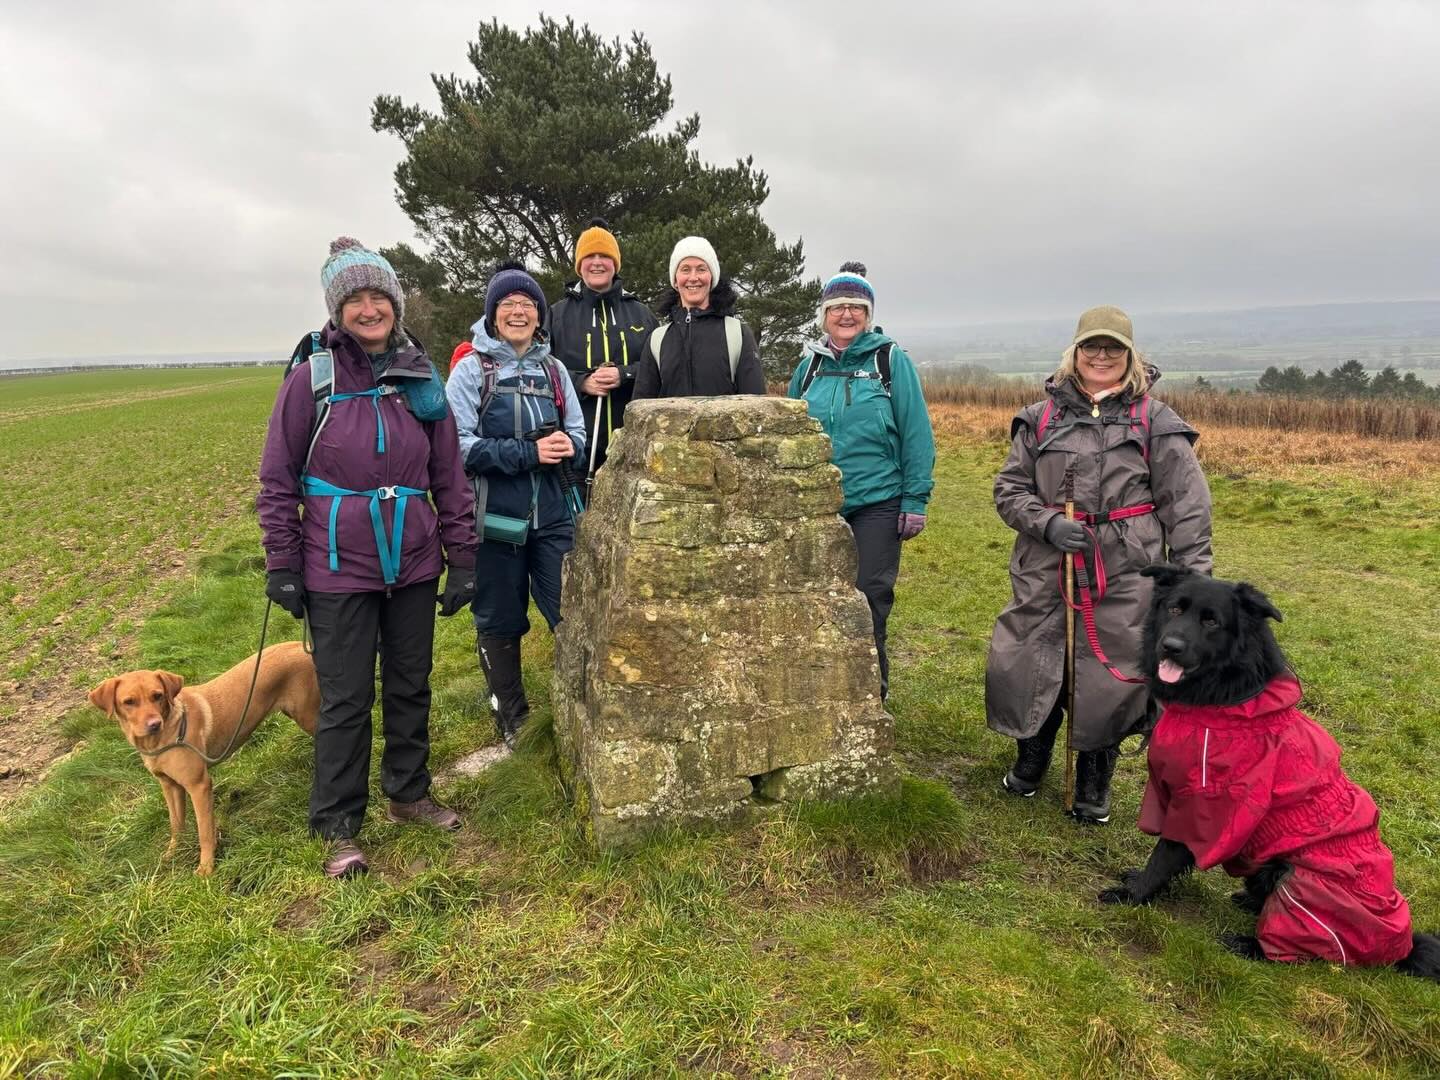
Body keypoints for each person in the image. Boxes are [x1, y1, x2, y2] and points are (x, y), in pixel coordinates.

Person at [258, 237, 477, 879]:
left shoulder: (421, 378)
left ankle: (408, 794)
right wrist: (282, 562)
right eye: (355, 298)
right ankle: (337, 823)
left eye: (379, 295)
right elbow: (278, 478)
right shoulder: (312, 379)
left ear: (396, 305)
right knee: (347, 698)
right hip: (337, 566)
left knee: (410, 684)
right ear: (338, 309)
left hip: (413, 561)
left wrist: (463, 555)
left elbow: (449, 475)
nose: (369, 308)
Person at [985, 305, 1213, 824]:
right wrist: (1047, 523)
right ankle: (1031, 759)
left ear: (1131, 355)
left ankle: (1093, 781)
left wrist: (1194, 585)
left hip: (1126, 567)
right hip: (1046, 564)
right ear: (1076, 352)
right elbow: (1009, 489)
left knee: (1113, 671)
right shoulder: (1040, 418)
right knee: (1028, 657)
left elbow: (1187, 506)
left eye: (1114, 347)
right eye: (1092, 346)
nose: (1102, 356)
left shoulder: (1156, 422)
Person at [446, 262, 586, 749]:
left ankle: (585, 704)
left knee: (571, 611)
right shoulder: (472, 370)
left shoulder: (554, 370)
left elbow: (578, 432)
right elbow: (456, 446)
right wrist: (527, 453)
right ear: (493, 314)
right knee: (499, 619)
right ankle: (513, 719)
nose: (518, 312)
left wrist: (570, 446)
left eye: (527, 304)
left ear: (539, 316)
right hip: (494, 520)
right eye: (508, 304)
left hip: (553, 516)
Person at [788, 263, 935, 700]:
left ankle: (870, 692)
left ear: (868, 315)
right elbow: (789, 433)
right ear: (824, 315)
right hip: (818, 504)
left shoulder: (890, 361)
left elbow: (916, 432)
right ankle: (822, 687)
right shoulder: (808, 368)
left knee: (869, 595)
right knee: (816, 596)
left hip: (878, 500)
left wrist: (915, 499)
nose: (847, 314)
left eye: (856, 307)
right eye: (838, 307)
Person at [546, 218, 657, 479]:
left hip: (633, 447)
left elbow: (660, 369)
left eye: (604, 256)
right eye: (589, 256)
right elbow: (540, 370)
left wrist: (624, 374)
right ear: (579, 265)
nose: (597, 262)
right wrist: (581, 382)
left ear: (615, 263)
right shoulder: (556, 315)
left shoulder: (642, 314)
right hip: (575, 449)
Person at [630, 236, 766, 398]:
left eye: (701, 269)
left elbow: (756, 406)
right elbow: (641, 407)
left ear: (712, 277)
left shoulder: (738, 334)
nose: (693, 278)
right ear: (675, 280)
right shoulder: (656, 341)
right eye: (685, 269)